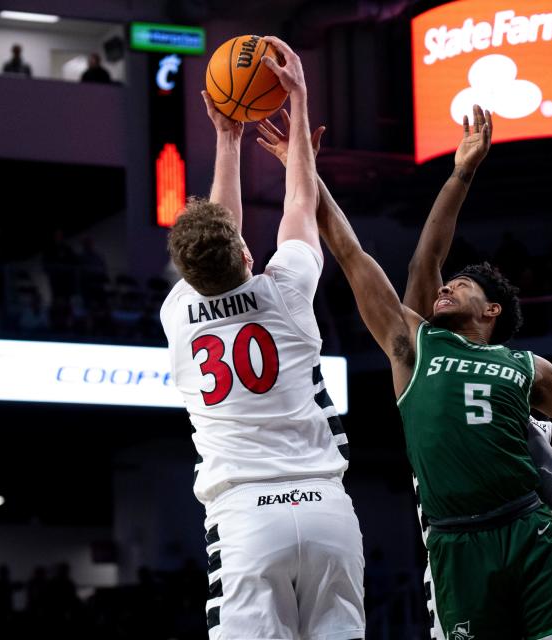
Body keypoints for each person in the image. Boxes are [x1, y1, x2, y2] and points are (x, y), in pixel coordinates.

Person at [286, 94, 552, 636]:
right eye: (448, 283)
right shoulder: (413, 343)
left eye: (464, 285)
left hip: (528, 529)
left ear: (491, 310)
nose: (446, 286)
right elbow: (354, 253)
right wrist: (306, 173)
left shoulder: (528, 367)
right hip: (453, 541)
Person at [160, 36, 364, 639]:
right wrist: (297, 100)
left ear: (187, 275)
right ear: (247, 252)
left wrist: (227, 140)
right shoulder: (287, 291)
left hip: (246, 515)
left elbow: (222, 234)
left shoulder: (178, 311)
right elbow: (302, 199)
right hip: (326, 506)